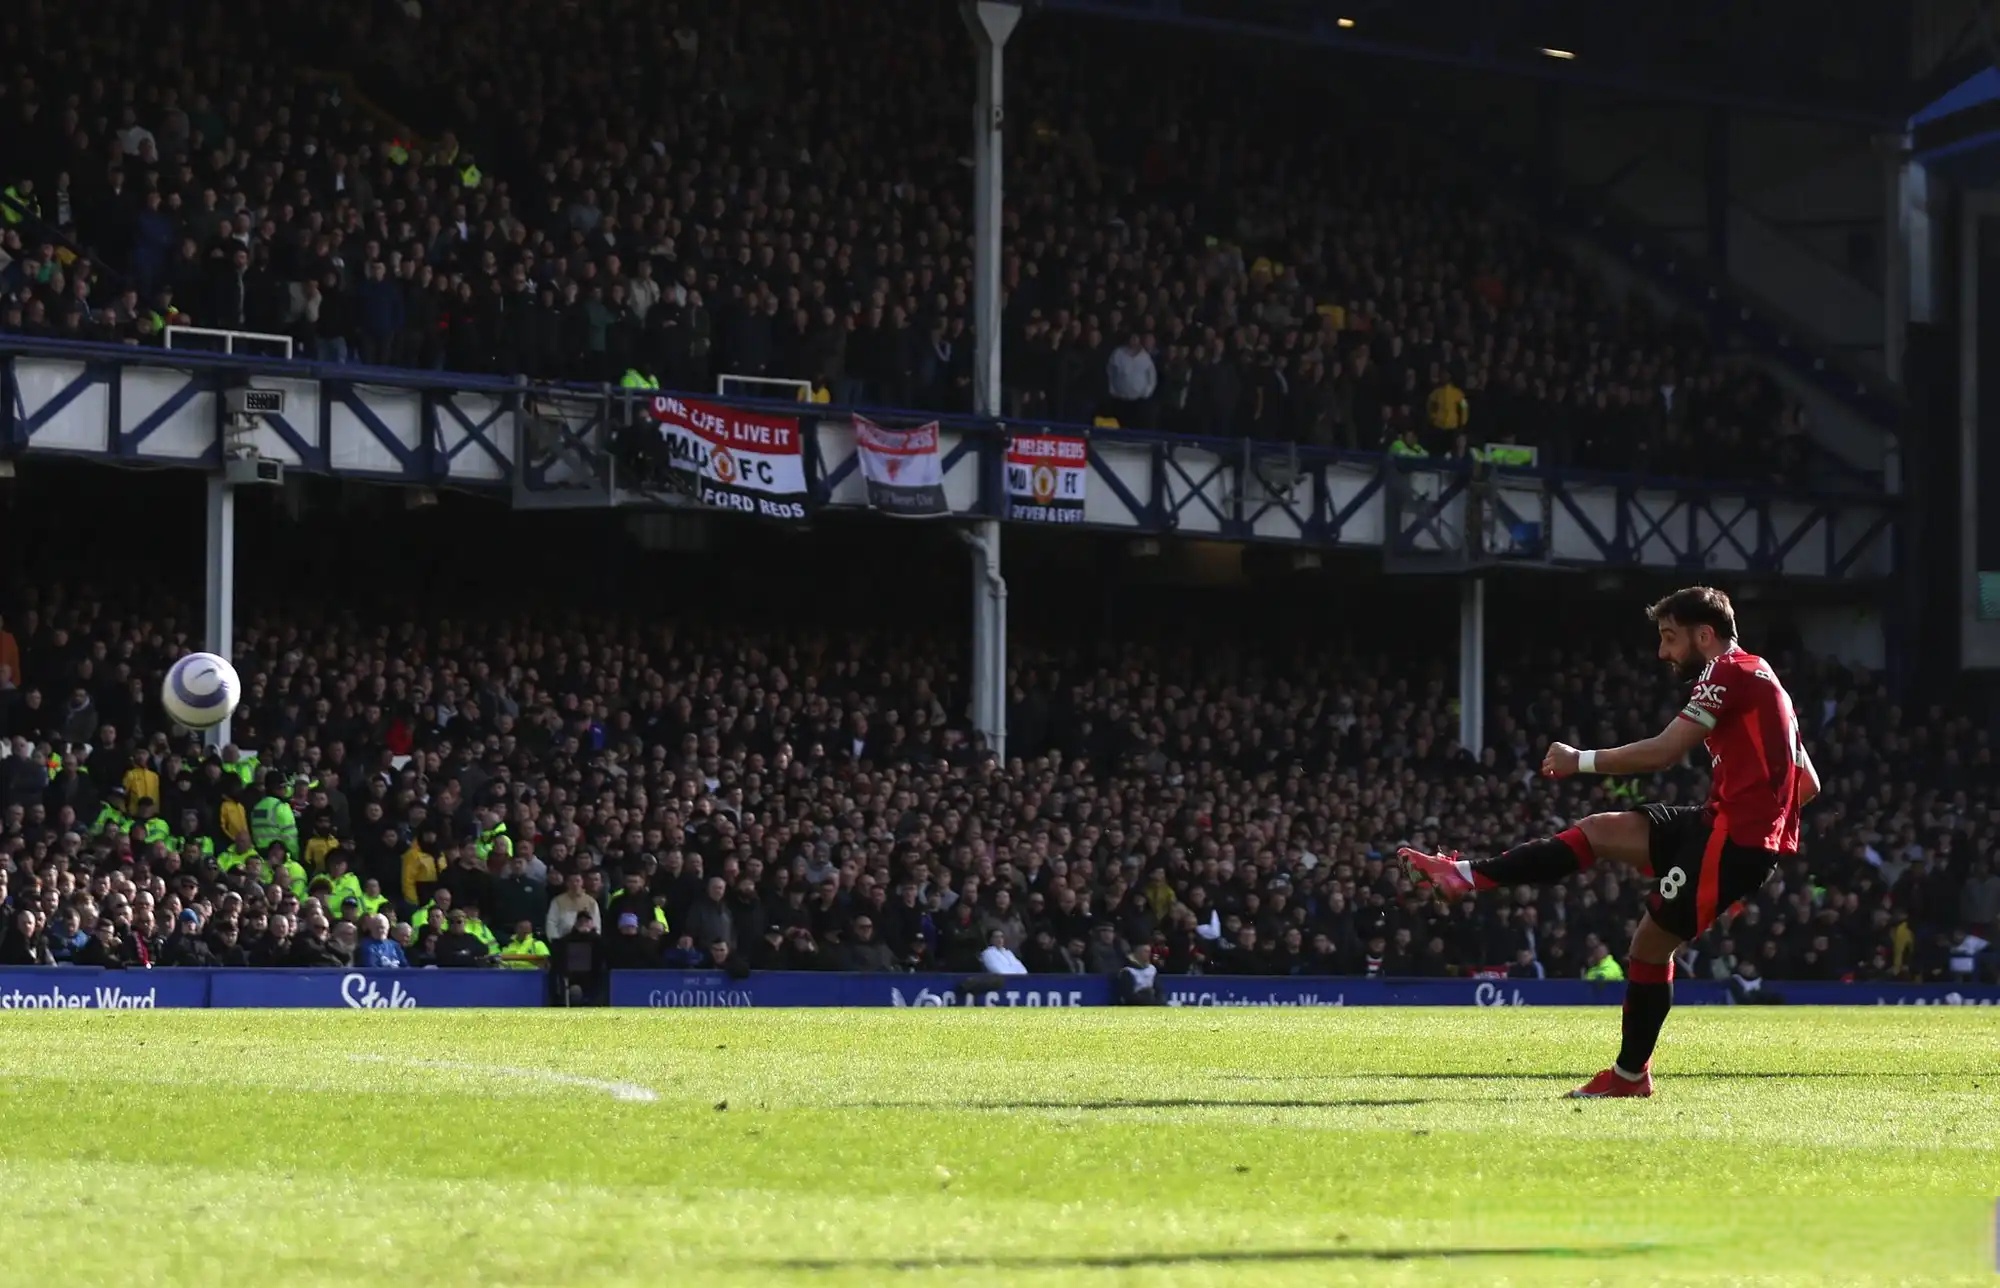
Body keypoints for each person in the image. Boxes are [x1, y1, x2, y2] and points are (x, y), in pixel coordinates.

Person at [1399, 586, 1819, 1098]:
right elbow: (1809, 784)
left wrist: (1581, 759)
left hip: (1731, 837)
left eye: (1669, 638)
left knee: (1648, 946)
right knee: (1600, 830)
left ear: (1704, 635)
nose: (1663, 652)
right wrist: (1763, 821)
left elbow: (1665, 751)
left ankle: (1629, 1076)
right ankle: (1462, 876)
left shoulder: (1725, 671)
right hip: (1724, 825)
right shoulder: (1765, 677)